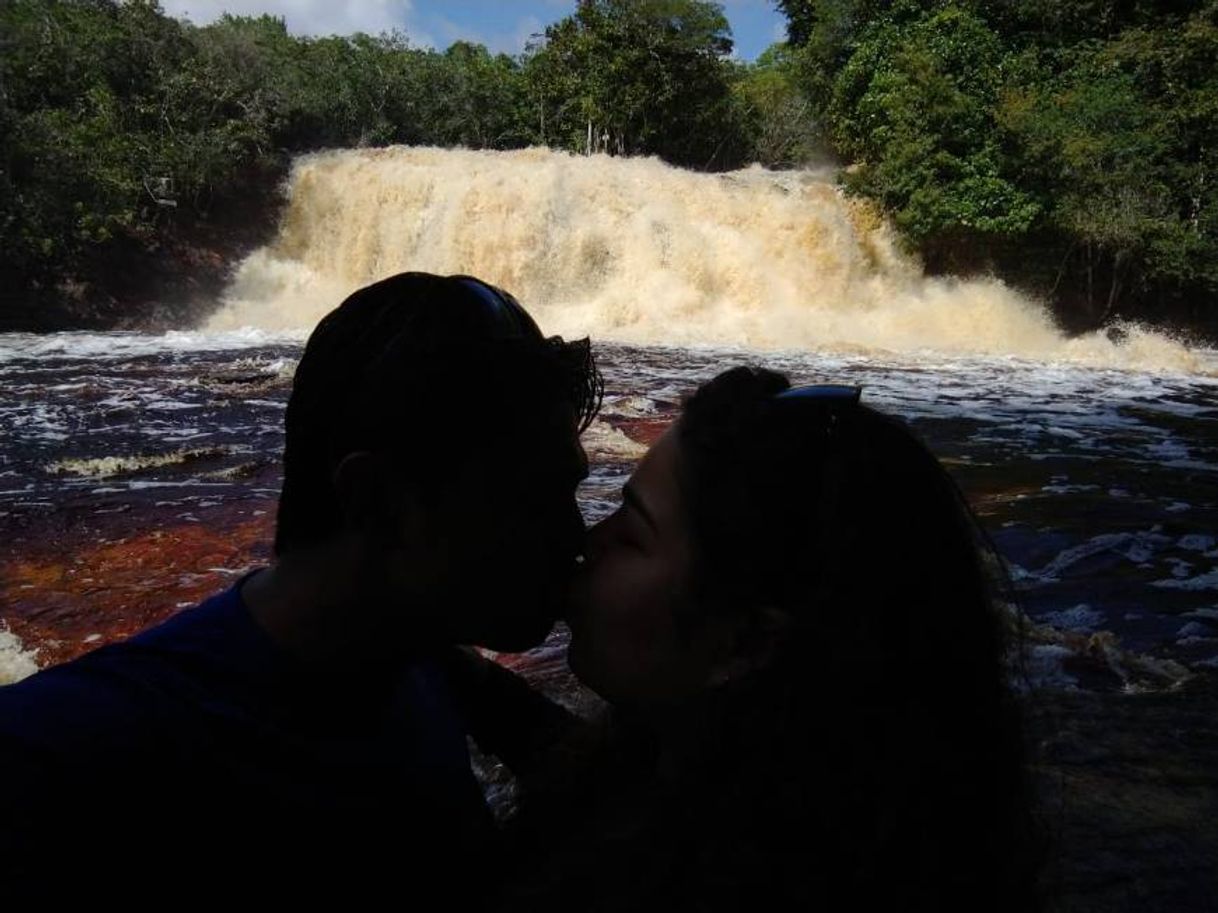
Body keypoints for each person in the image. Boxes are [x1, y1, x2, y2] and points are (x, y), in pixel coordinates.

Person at [0, 272, 602, 903]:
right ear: (379, 505)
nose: (578, 536)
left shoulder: (407, 655)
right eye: (538, 498)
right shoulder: (53, 758)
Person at [493, 365, 1040, 911]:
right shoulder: (866, 836)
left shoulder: (668, 879)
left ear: (746, 644)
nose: (588, 541)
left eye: (632, 535)